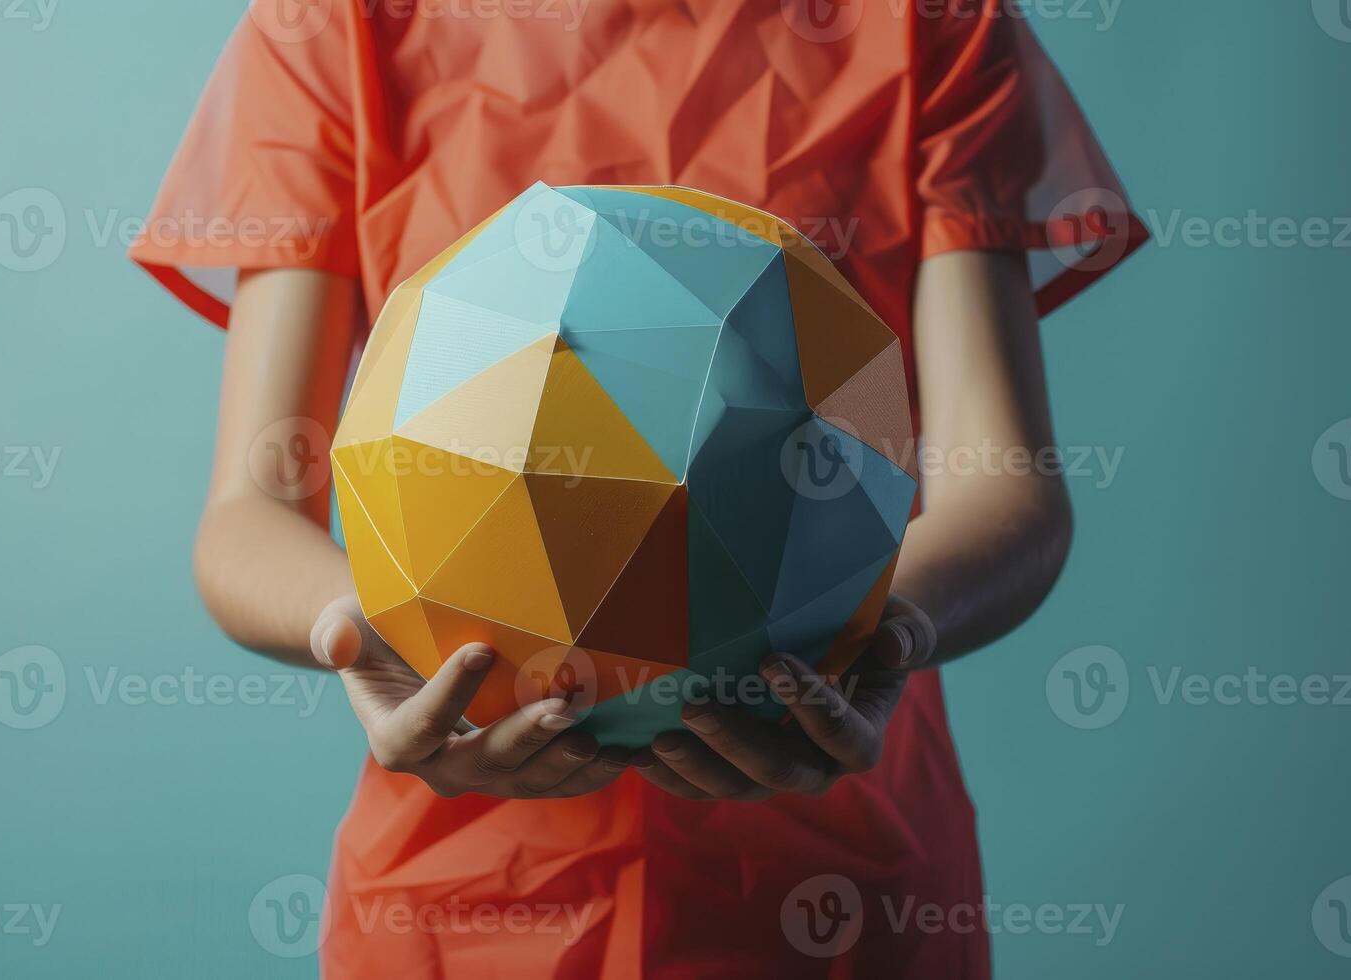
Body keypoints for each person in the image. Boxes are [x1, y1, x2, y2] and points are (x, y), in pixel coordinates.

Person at [131, 0, 1145, 974]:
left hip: (833, 887)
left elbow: (1006, 486)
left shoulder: (934, 23)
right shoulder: (341, 25)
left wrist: (892, 634)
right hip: (463, 896)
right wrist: (359, 634)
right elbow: (249, 514)